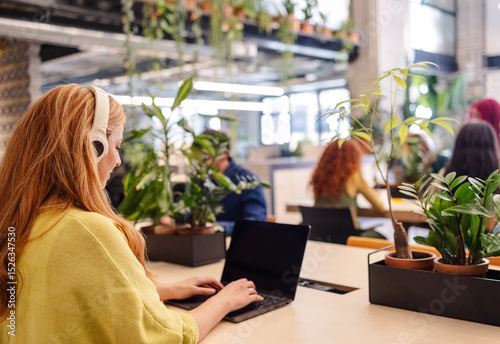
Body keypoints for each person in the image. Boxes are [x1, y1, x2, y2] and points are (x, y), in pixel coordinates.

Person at [0, 84, 263, 343]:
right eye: (116, 146)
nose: (117, 160)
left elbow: (62, 299)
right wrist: (224, 301)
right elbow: (167, 336)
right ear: (93, 147)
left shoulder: (19, 224)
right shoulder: (87, 230)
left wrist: (162, 290)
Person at [200, 129, 267, 224]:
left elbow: (256, 223)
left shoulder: (247, 181)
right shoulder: (201, 182)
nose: (199, 164)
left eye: (204, 159)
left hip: (235, 238)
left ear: (222, 156)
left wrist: (214, 228)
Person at [310, 139, 385, 213]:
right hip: (348, 224)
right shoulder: (353, 177)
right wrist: (376, 195)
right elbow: (380, 207)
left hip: (320, 225)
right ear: (353, 156)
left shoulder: (321, 178)